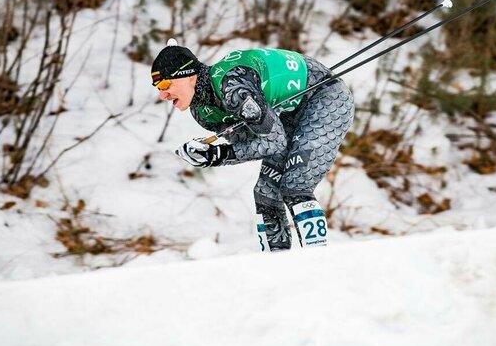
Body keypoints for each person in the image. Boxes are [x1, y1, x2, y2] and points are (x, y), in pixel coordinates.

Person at [151, 38, 354, 252]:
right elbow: (252, 144)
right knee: (265, 193)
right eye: (158, 87)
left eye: (165, 85)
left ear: (188, 76)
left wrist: (217, 154)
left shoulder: (232, 86)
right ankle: (275, 263)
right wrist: (211, 154)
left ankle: (319, 260)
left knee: (296, 185)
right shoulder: (203, 112)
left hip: (325, 97)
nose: (162, 95)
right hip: (286, 113)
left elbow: (273, 142)